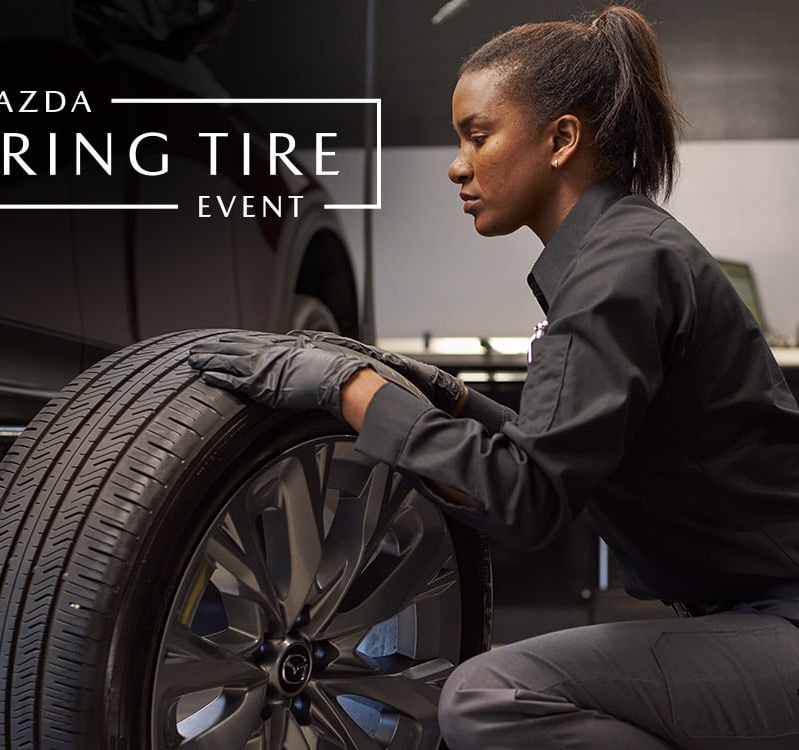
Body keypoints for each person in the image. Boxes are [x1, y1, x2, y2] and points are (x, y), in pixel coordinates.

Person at [189, 5, 799, 747]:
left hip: (780, 624)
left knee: (491, 696)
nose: (457, 163)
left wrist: (348, 389)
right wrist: (450, 397)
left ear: (561, 140)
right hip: (757, 617)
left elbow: (526, 499)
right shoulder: (620, 250)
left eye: (478, 135)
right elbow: (563, 448)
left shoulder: (618, 272)